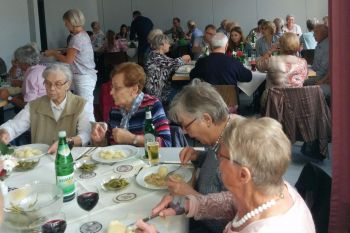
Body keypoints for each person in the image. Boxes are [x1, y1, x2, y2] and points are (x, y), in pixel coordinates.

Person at [136, 117, 316, 233]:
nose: (215, 160)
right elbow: (235, 202)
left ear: (243, 175)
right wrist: (186, 203)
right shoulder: (274, 189)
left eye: (220, 156)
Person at [166, 79, 243, 233]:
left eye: (186, 125)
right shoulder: (226, 126)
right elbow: (213, 158)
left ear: (207, 119)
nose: (184, 132)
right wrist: (199, 156)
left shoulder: (238, 147)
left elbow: (237, 214)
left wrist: (190, 194)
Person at [0, 63, 92, 153]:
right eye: (48, 83)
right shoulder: (34, 105)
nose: (52, 88)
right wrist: (5, 132)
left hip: (70, 159)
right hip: (40, 159)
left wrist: (67, 141)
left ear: (68, 84)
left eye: (58, 84)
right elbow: (14, 126)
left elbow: (86, 133)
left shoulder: (81, 105)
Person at [90, 62, 171, 147]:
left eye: (117, 88)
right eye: (112, 87)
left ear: (134, 89)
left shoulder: (152, 105)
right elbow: (110, 145)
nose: (111, 92)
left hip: (145, 159)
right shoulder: (115, 110)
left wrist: (133, 139)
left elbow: (166, 143)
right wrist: (100, 140)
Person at [44, 9, 97, 121]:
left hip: (83, 77)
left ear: (71, 21)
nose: (65, 25)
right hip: (86, 75)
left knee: (85, 110)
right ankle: (86, 135)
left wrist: (54, 53)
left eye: (66, 22)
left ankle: (91, 135)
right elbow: (74, 51)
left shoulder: (76, 38)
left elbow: (68, 60)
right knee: (84, 108)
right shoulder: (84, 34)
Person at [256, 32, 308, 107]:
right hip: (296, 101)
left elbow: (258, 65)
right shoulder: (303, 62)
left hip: (274, 101)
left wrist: (270, 51)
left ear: (280, 45)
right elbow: (304, 79)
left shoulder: (272, 60)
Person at [144, 34, 191, 104]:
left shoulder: (156, 55)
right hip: (155, 92)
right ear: (161, 45)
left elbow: (171, 63)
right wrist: (184, 58)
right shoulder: (156, 57)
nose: (170, 45)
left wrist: (183, 60)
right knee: (182, 92)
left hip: (160, 89)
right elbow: (173, 63)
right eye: (168, 43)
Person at [0, 44, 46, 109]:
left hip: (39, 111)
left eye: (17, 60)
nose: (16, 63)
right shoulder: (42, 68)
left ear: (23, 61)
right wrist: (22, 83)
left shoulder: (31, 76)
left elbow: (28, 107)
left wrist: (8, 97)